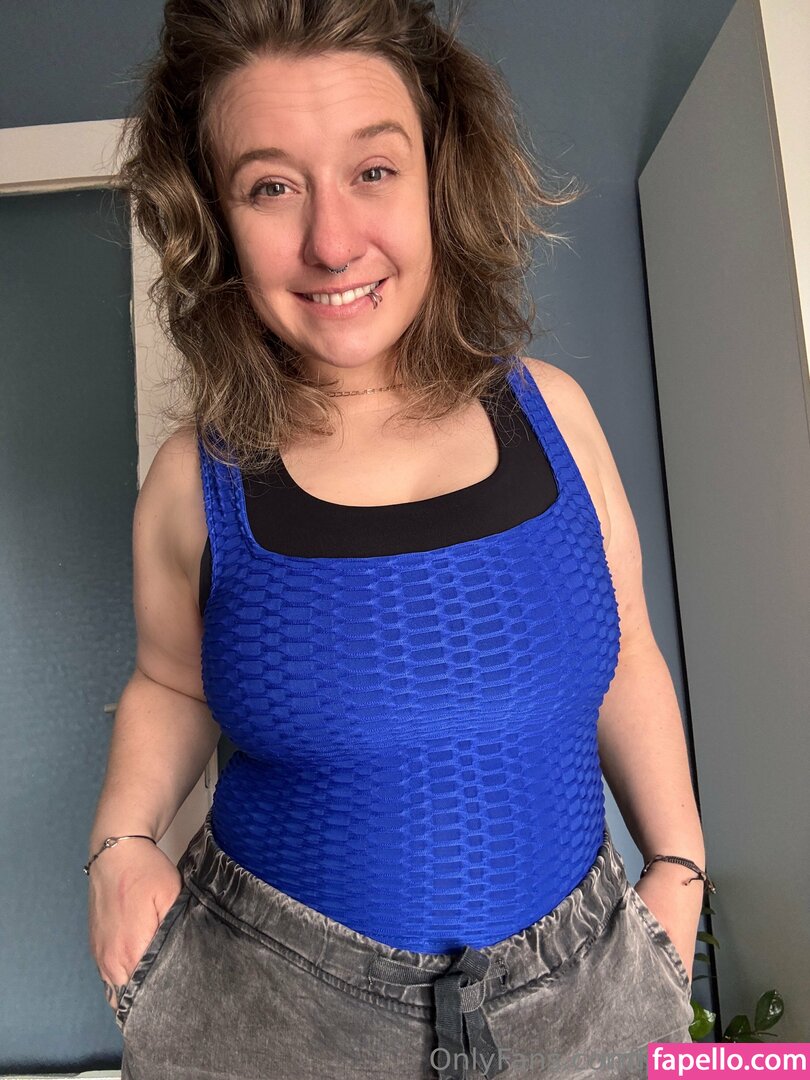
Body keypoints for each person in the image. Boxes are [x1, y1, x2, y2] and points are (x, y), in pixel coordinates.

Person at [86, 2, 711, 1077]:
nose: (332, 241)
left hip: (584, 1002)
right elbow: (172, 682)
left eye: (373, 170)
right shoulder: (196, 480)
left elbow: (629, 656)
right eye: (271, 187)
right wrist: (122, 840)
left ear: (438, 177)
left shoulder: (557, 419)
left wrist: (680, 870)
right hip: (273, 1018)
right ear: (214, 216)